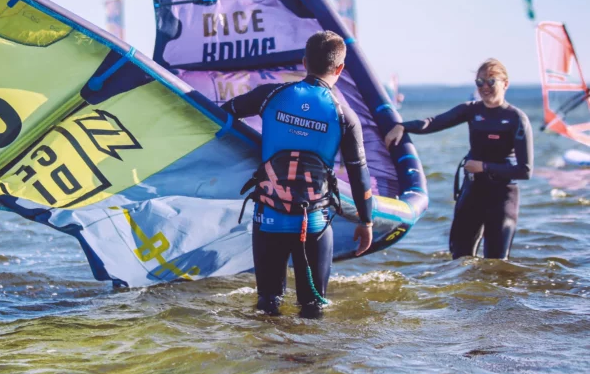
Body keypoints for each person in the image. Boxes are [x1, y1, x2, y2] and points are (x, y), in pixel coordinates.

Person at [221, 31, 374, 318]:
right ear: (340, 68)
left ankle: (267, 347)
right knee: (313, 309)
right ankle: (306, 349)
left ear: (304, 62)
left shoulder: (271, 95)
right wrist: (366, 221)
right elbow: (359, 175)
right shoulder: (345, 116)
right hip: (313, 223)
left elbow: (222, 116)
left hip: (268, 219)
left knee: (267, 306)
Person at [384, 59, 532, 260]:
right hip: (473, 192)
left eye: (491, 81)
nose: (485, 87)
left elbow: (525, 170)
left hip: (502, 196)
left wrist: (483, 166)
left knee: (496, 263)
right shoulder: (472, 110)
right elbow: (433, 123)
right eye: (480, 82)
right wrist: (402, 126)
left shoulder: (516, 118)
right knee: (459, 259)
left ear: (505, 83)